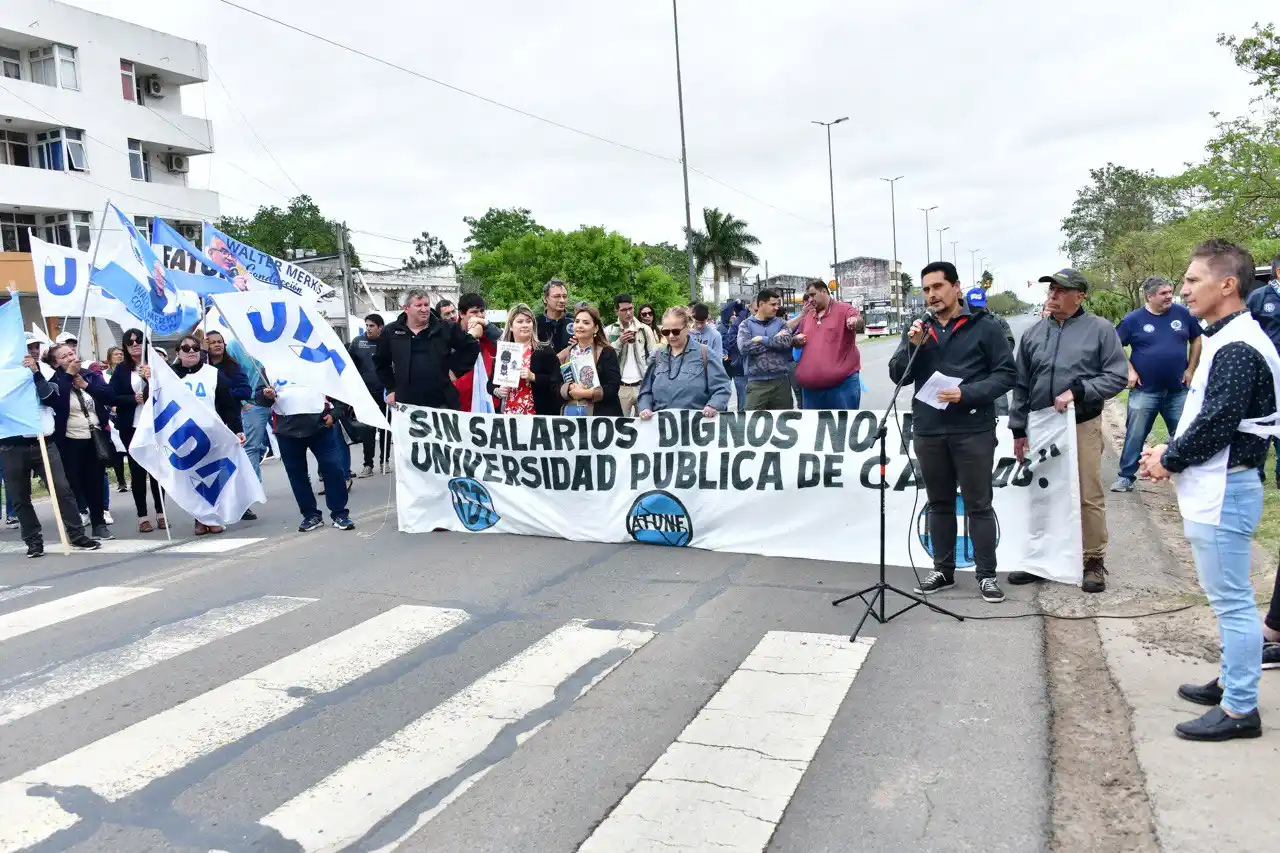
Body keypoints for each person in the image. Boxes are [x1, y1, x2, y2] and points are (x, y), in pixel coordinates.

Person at [1140, 240, 1280, 741]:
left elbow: (1217, 423)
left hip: (1228, 489)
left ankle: (1241, 709)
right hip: (1219, 486)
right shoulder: (1226, 337)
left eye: (1194, 280)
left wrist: (1166, 457)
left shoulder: (1240, 345)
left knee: (1233, 602)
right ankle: (1230, 682)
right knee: (1226, 598)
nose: (1183, 289)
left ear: (1228, 285)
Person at [889, 262, 1017, 603]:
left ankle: (986, 574)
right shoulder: (919, 329)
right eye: (926, 289)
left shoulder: (985, 326)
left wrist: (968, 393)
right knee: (939, 502)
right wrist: (912, 347)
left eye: (938, 287)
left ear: (956, 288)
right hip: (929, 430)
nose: (932, 294)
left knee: (978, 503)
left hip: (972, 428)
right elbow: (897, 375)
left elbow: (1007, 374)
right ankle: (942, 570)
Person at [1008, 268, 1128, 593]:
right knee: (1041, 493)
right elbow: (1021, 384)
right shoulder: (1034, 334)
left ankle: (1092, 560)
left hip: (1081, 424)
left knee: (1087, 493)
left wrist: (1079, 390)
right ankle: (1040, 558)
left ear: (1080, 296)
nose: (1054, 294)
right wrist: (1018, 428)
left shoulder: (1100, 330)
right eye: (1052, 289)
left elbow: (1118, 376)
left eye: (1062, 290)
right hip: (1041, 425)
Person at [1110, 276, 1203, 493]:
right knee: (1135, 434)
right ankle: (1126, 476)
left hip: (1177, 390)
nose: (1170, 296)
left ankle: (1189, 476)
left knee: (1184, 433)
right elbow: (1114, 344)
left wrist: (1191, 369)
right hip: (1145, 391)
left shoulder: (1183, 314)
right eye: (1163, 293)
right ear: (1149, 296)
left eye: (1170, 291)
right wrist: (1130, 370)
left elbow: (1196, 338)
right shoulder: (1133, 319)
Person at [255, 378, 354, 532]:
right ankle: (310, 515)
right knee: (297, 475)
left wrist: (334, 415)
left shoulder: (315, 360)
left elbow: (339, 392)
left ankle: (340, 513)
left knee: (333, 468)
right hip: (286, 430)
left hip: (320, 427)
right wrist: (266, 395)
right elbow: (259, 398)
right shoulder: (270, 366)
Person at [171, 335, 245, 535]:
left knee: (212, 476)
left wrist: (237, 429)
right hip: (184, 435)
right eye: (186, 348)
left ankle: (213, 517)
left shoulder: (212, 374)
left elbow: (228, 405)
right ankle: (200, 518)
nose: (191, 351)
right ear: (177, 352)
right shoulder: (169, 376)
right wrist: (148, 379)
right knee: (193, 478)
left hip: (211, 434)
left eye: (195, 347)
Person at [49, 343, 115, 541]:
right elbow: (56, 401)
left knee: (95, 481)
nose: (70, 358)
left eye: (71, 353)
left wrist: (86, 385)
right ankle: (77, 523)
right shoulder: (55, 381)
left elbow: (109, 396)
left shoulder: (89, 375)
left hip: (94, 437)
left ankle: (99, 524)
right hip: (70, 440)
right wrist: (69, 376)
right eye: (63, 356)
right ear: (55, 363)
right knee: (73, 483)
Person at [374, 289, 481, 409]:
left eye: (426, 305)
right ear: (406, 308)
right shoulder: (391, 331)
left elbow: (472, 347)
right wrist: (390, 389)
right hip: (405, 404)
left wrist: (455, 370)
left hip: (441, 403)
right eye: (419, 305)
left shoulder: (445, 328)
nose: (424, 309)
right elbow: (381, 362)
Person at [108, 329, 166, 533]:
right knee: (137, 471)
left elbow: (167, 392)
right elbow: (112, 396)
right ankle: (142, 515)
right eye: (130, 342)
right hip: (131, 426)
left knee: (157, 471)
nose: (134, 345)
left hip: (154, 425)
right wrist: (132, 399)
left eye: (138, 341)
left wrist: (151, 380)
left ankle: (161, 512)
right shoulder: (121, 370)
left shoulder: (157, 365)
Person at [638, 306, 732, 418]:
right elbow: (645, 392)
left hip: (696, 427)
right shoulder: (657, 356)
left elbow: (722, 387)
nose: (671, 336)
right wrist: (645, 408)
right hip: (662, 427)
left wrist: (713, 406)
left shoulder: (705, 353)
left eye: (676, 331)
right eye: (666, 332)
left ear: (687, 328)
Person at [793, 279, 864, 409]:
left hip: (842, 386)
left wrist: (855, 321)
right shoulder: (808, 316)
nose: (810, 299)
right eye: (808, 296)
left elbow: (858, 321)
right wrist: (797, 340)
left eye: (813, 295)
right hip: (810, 391)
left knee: (843, 426)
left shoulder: (844, 309)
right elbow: (798, 338)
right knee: (814, 427)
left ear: (824, 291)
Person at [488, 303, 563, 415]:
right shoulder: (504, 351)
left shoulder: (544, 351)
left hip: (537, 415)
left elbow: (557, 382)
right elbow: (490, 384)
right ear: (511, 326)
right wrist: (497, 391)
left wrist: (533, 377)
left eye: (528, 321)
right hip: (508, 415)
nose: (525, 325)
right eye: (520, 321)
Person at [559, 304, 622, 416]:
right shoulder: (567, 353)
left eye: (586, 322)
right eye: (577, 321)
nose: (580, 325)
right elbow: (555, 383)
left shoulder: (607, 352)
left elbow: (613, 386)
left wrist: (585, 393)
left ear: (596, 328)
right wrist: (569, 388)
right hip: (572, 415)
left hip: (601, 417)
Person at [736, 288, 794, 410]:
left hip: (781, 382)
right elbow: (745, 347)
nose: (776, 308)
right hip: (756, 383)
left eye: (778, 304)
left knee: (784, 422)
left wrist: (763, 339)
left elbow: (787, 342)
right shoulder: (746, 325)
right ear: (761, 304)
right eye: (773, 304)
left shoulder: (781, 323)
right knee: (753, 424)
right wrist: (774, 340)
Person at [605, 293, 658, 416]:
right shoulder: (609, 331)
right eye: (624, 310)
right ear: (617, 311)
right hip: (621, 387)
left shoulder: (644, 329)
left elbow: (654, 357)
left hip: (642, 386)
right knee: (621, 426)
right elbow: (606, 359)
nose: (628, 313)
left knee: (645, 425)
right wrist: (619, 342)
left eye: (630, 308)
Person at [349, 313, 389, 476]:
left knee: (386, 429)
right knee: (368, 429)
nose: (368, 329)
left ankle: (384, 462)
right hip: (366, 393)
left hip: (386, 392)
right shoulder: (358, 342)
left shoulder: (388, 341)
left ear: (380, 327)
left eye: (372, 326)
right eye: (367, 325)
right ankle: (368, 465)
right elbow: (351, 367)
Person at [964, 288, 1013, 416]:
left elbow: (1009, 342)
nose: (976, 309)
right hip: (971, 377)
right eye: (972, 306)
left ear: (985, 302)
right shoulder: (963, 322)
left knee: (1001, 409)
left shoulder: (998, 321)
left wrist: (991, 352)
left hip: (994, 374)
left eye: (979, 305)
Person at [452, 293, 501, 413]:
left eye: (482, 311)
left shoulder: (488, 334)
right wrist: (471, 337)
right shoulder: (451, 333)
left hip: (488, 401)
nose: (479, 316)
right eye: (474, 312)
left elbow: (506, 343)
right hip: (459, 402)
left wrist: (487, 325)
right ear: (462, 314)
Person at [719, 300, 750, 410]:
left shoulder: (743, 323)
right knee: (724, 394)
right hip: (730, 366)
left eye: (735, 314)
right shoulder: (722, 328)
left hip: (739, 367)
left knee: (743, 400)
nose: (734, 316)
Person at [537, 278, 573, 351]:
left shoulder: (575, 322)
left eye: (564, 296)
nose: (562, 300)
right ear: (545, 299)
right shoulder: (535, 324)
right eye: (557, 296)